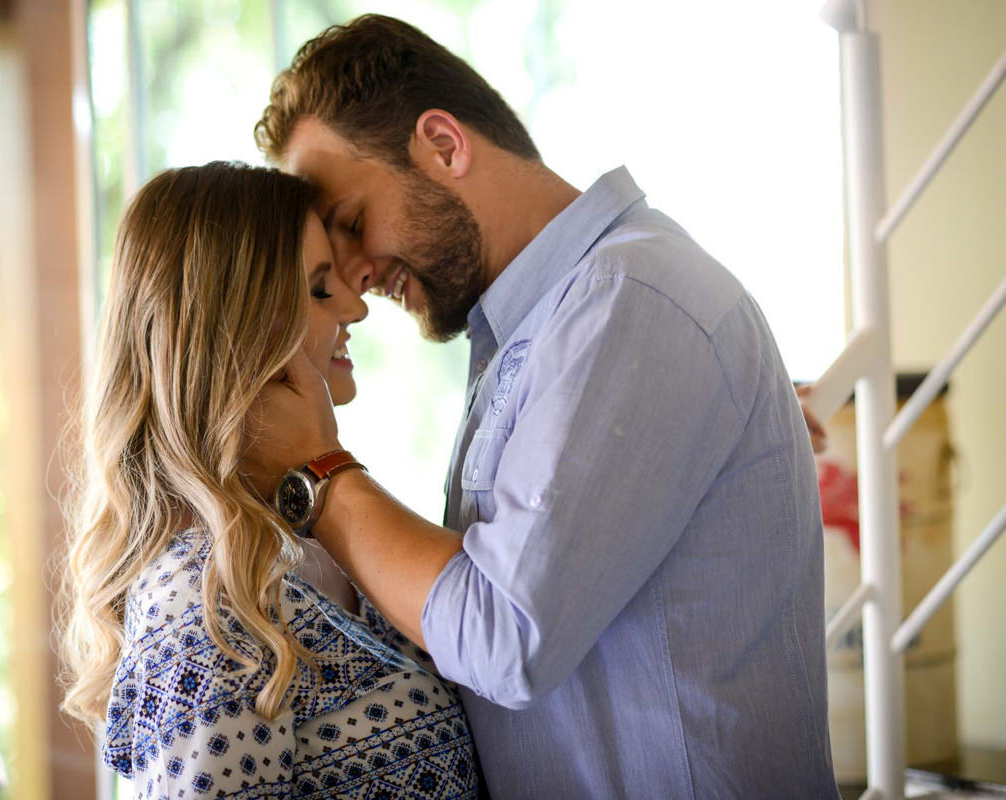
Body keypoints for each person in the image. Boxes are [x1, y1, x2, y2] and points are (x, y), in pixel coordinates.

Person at [249, 14, 838, 799]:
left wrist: (316, 472)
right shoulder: (546, 329)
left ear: (444, 144)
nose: (353, 280)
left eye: (352, 222)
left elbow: (503, 637)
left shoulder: (630, 300)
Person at [60, 162, 480, 799]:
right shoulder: (200, 608)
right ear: (235, 331)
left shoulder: (311, 541)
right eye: (318, 290)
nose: (357, 307)